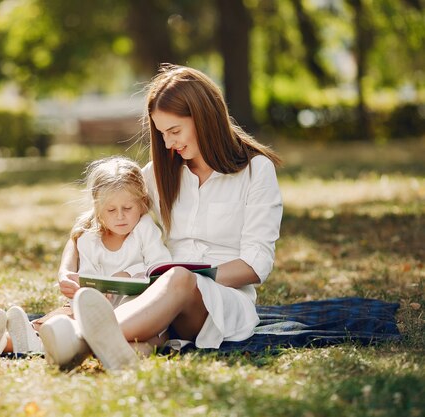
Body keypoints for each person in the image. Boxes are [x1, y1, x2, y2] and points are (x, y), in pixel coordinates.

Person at [40, 64, 283, 370]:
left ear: (204, 118)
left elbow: (255, 264)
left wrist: (187, 281)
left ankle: (76, 340)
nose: (168, 143)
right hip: (157, 300)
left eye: (175, 131)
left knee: (179, 277)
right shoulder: (159, 174)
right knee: (141, 329)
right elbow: (90, 222)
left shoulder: (256, 172)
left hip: (222, 303)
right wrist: (66, 270)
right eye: (161, 133)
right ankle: (120, 351)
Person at [0, 156, 171, 360]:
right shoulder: (90, 236)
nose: (120, 216)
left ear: (142, 203)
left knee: (150, 340)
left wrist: (131, 276)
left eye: (128, 208)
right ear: (98, 208)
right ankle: (6, 342)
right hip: (91, 310)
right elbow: (83, 276)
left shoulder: (145, 229)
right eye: (111, 210)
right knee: (61, 318)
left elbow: (162, 270)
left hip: (133, 309)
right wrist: (79, 285)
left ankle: (34, 342)